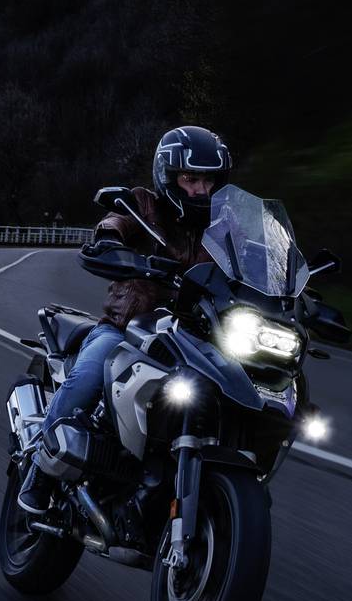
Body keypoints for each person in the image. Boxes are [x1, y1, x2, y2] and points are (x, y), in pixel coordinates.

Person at [26, 124, 230, 491]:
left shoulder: (224, 227)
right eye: (190, 179)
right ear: (167, 176)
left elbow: (255, 260)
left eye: (208, 180)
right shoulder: (143, 205)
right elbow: (116, 221)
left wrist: (293, 291)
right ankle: (39, 469)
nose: (201, 189)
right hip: (126, 330)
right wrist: (109, 240)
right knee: (88, 377)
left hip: (193, 341)